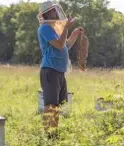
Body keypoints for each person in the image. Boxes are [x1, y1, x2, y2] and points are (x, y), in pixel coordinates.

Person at [37, 1, 84, 139]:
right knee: (50, 105)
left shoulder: (55, 29)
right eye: (52, 11)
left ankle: (54, 134)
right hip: (50, 70)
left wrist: (74, 34)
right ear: (46, 14)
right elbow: (59, 44)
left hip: (59, 71)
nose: (55, 13)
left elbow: (65, 45)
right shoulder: (45, 28)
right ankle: (48, 136)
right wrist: (66, 28)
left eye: (55, 10)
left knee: (56, 105)